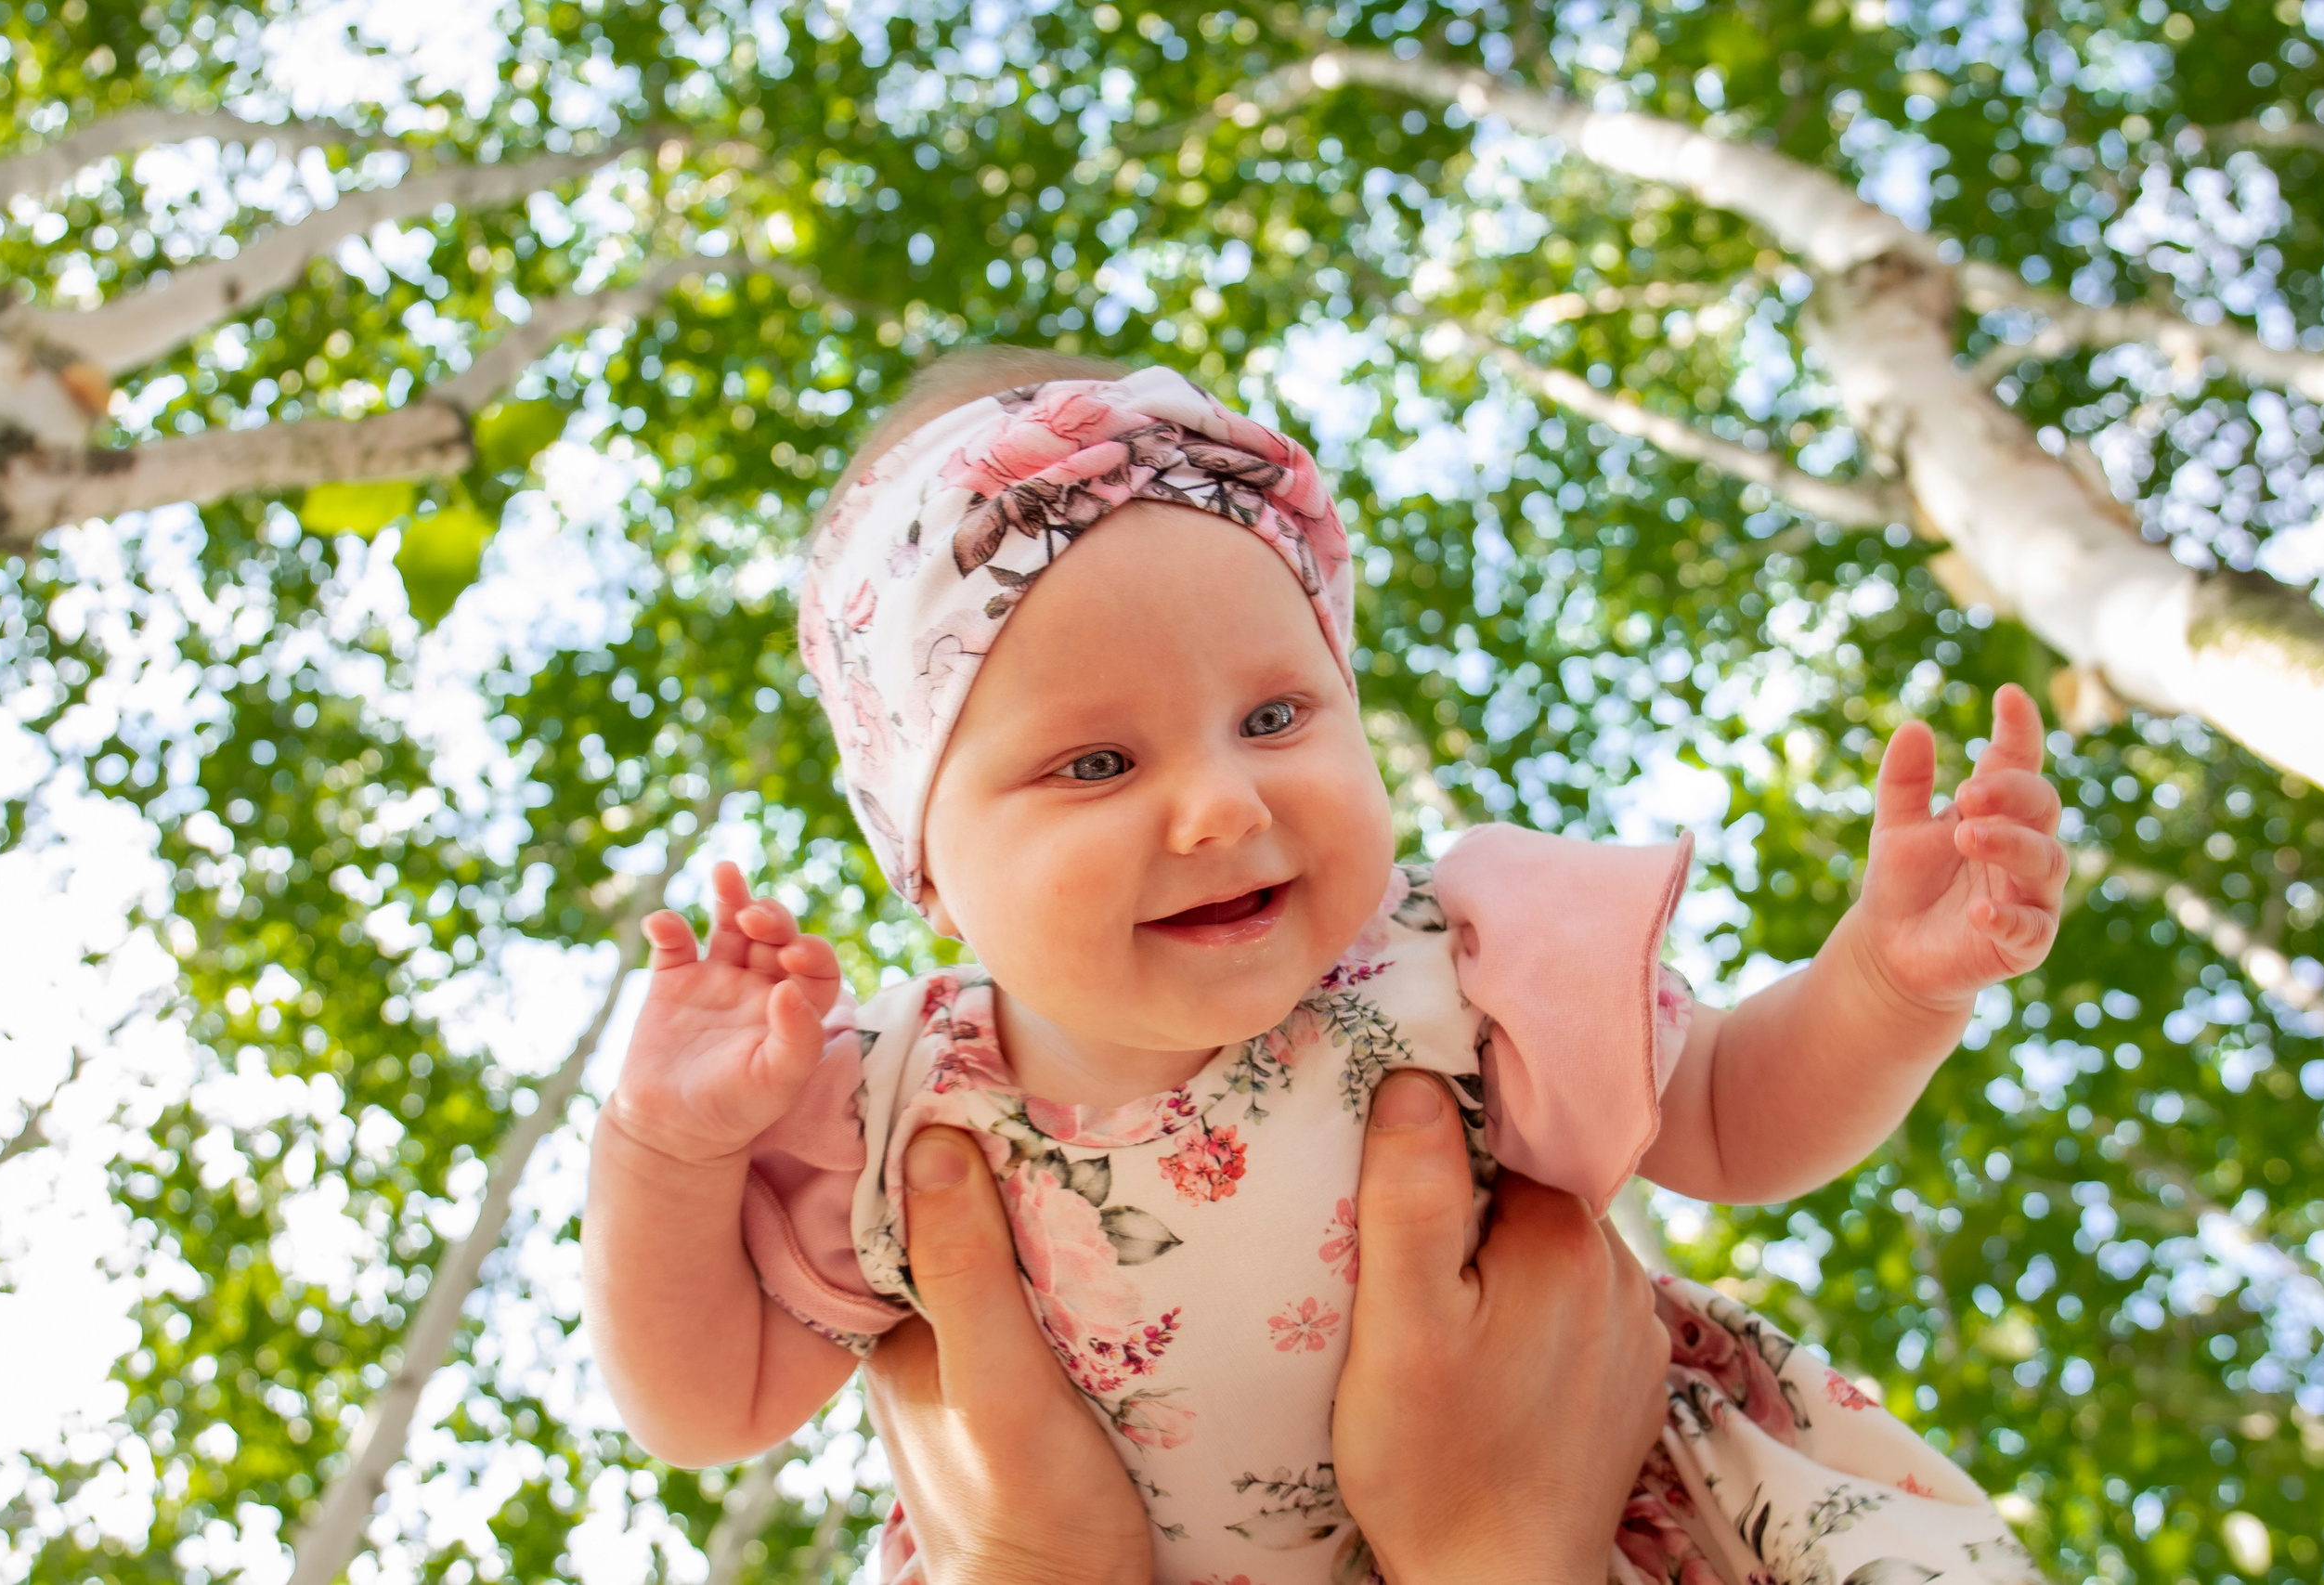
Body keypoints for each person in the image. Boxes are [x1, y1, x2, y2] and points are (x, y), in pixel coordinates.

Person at [583, 350, 2066, 1584]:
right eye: (1097, 760)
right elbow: (709, 1402)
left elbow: (1735, 1117)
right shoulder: (896, 1105)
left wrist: (1890, 982)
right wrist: (665, 1146)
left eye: (1278, 716)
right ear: (929, 863)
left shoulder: (1461, 957)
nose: (1224, 803)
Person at [859, 1071, 1672, 1585]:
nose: (1227, 810)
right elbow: (735, 1405)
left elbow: (1721, 1109)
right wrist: (1501, 1550)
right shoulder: (896, 1071)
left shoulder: (1453, 941)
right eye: (1096, 780)